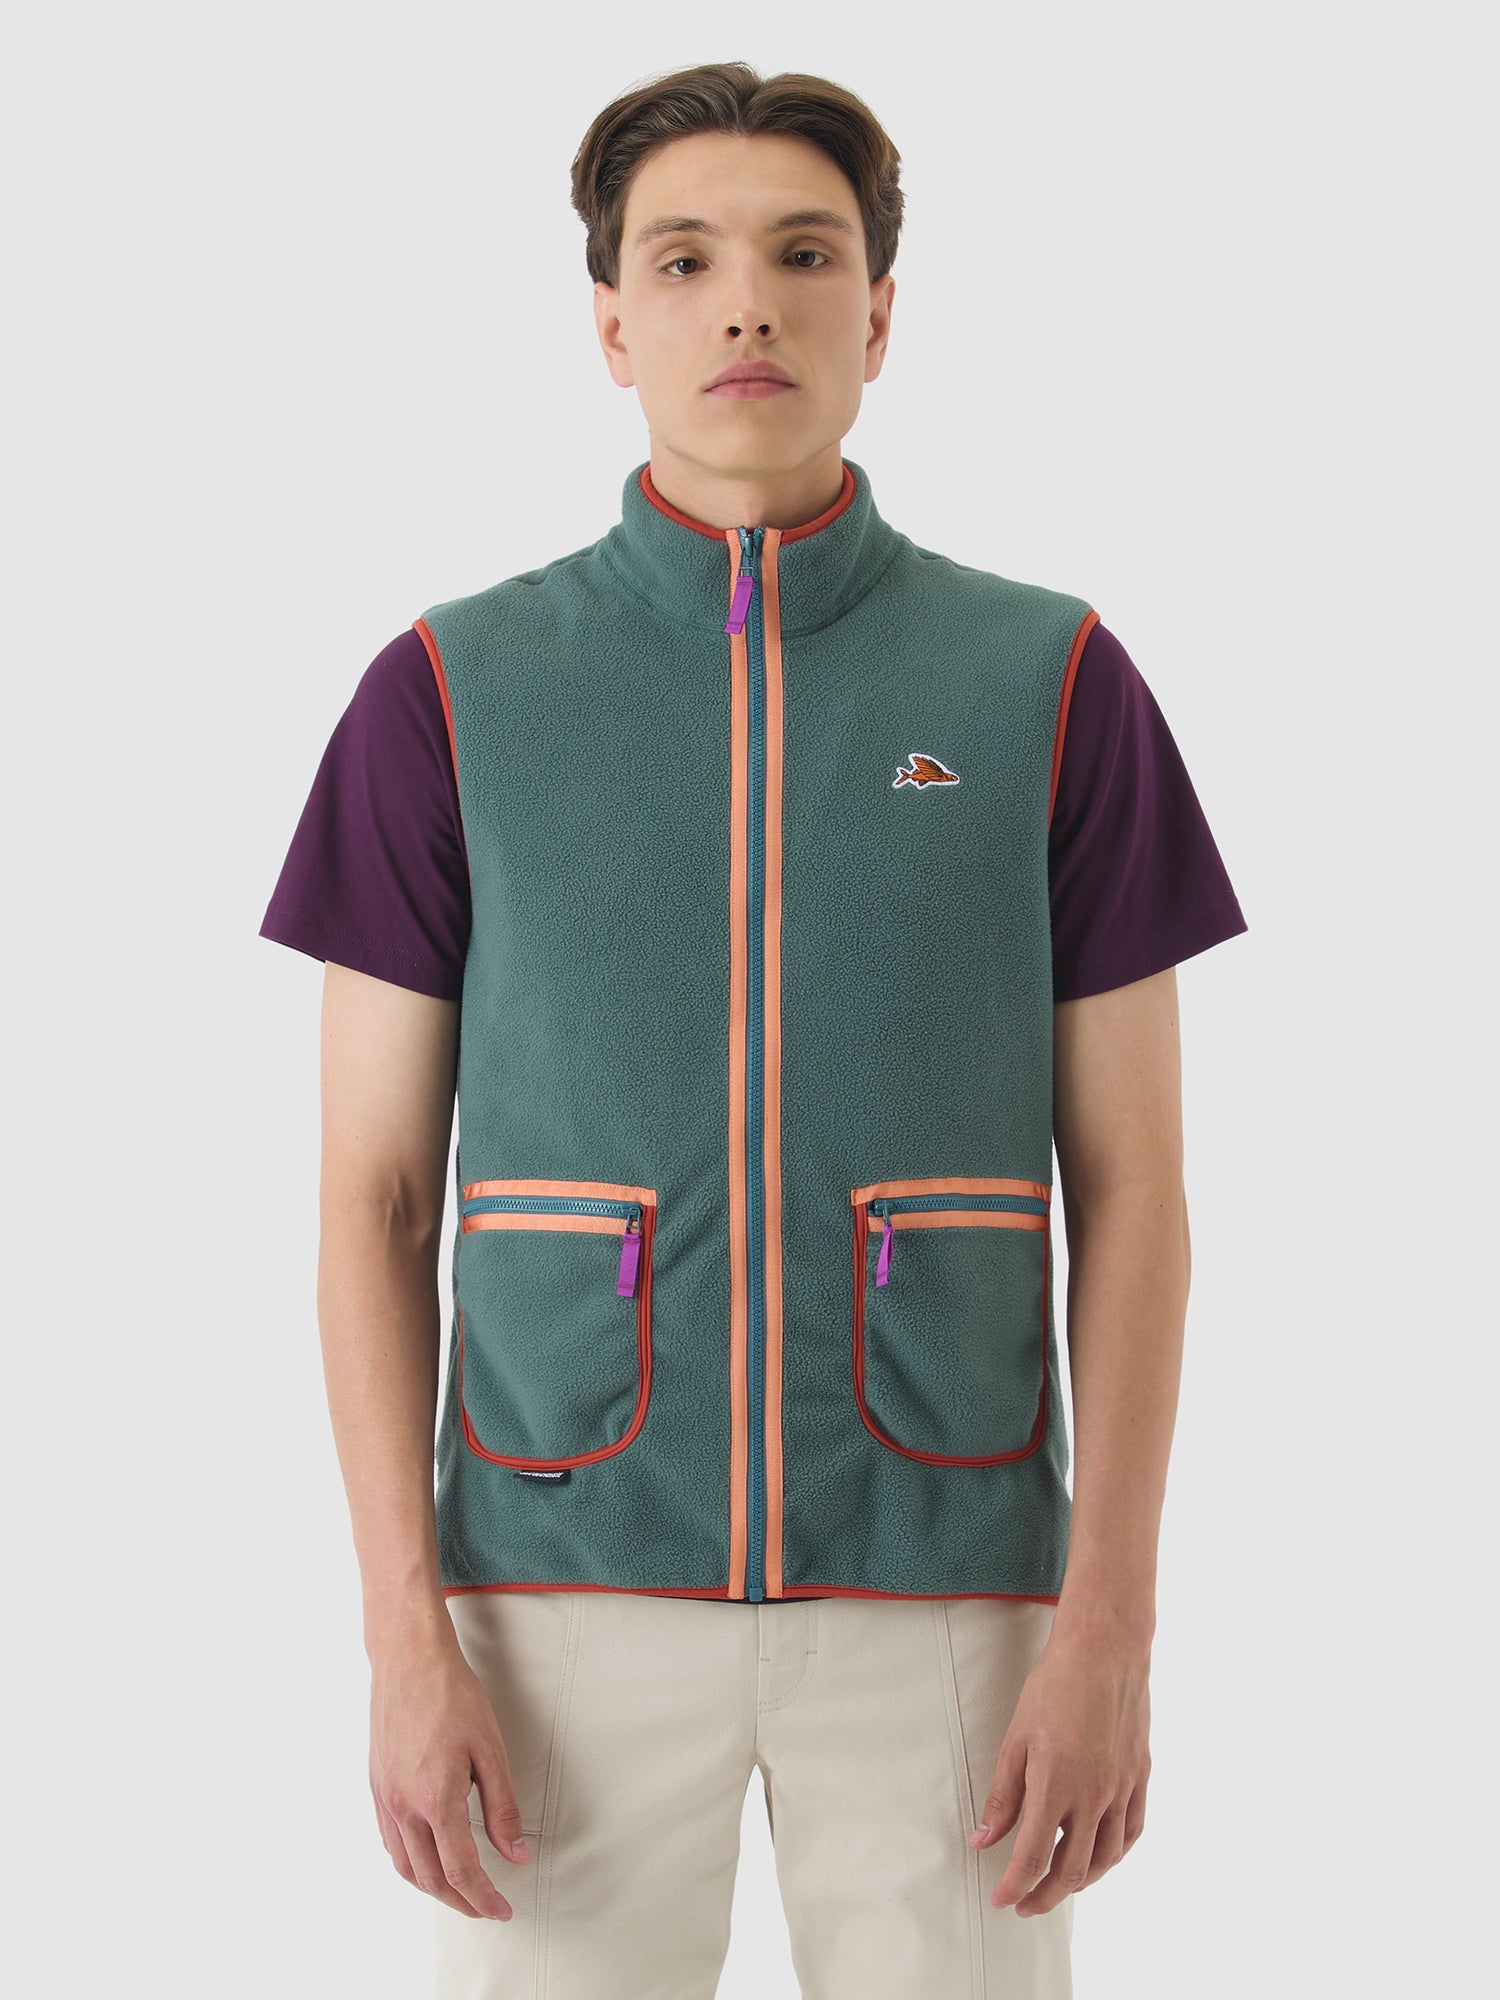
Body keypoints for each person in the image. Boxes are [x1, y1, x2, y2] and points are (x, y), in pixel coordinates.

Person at [259, 59, 1247, 2000]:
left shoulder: (1052, 680)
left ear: (879, 315)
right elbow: (371, 1198)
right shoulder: (446, 692)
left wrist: (1107, 1624)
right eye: (684, 259)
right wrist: (403, 1635)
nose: (746, 307)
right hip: (556, 1591)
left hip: (953, 1588)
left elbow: (1137, 1190)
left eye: (804, 255)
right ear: (608, 322)